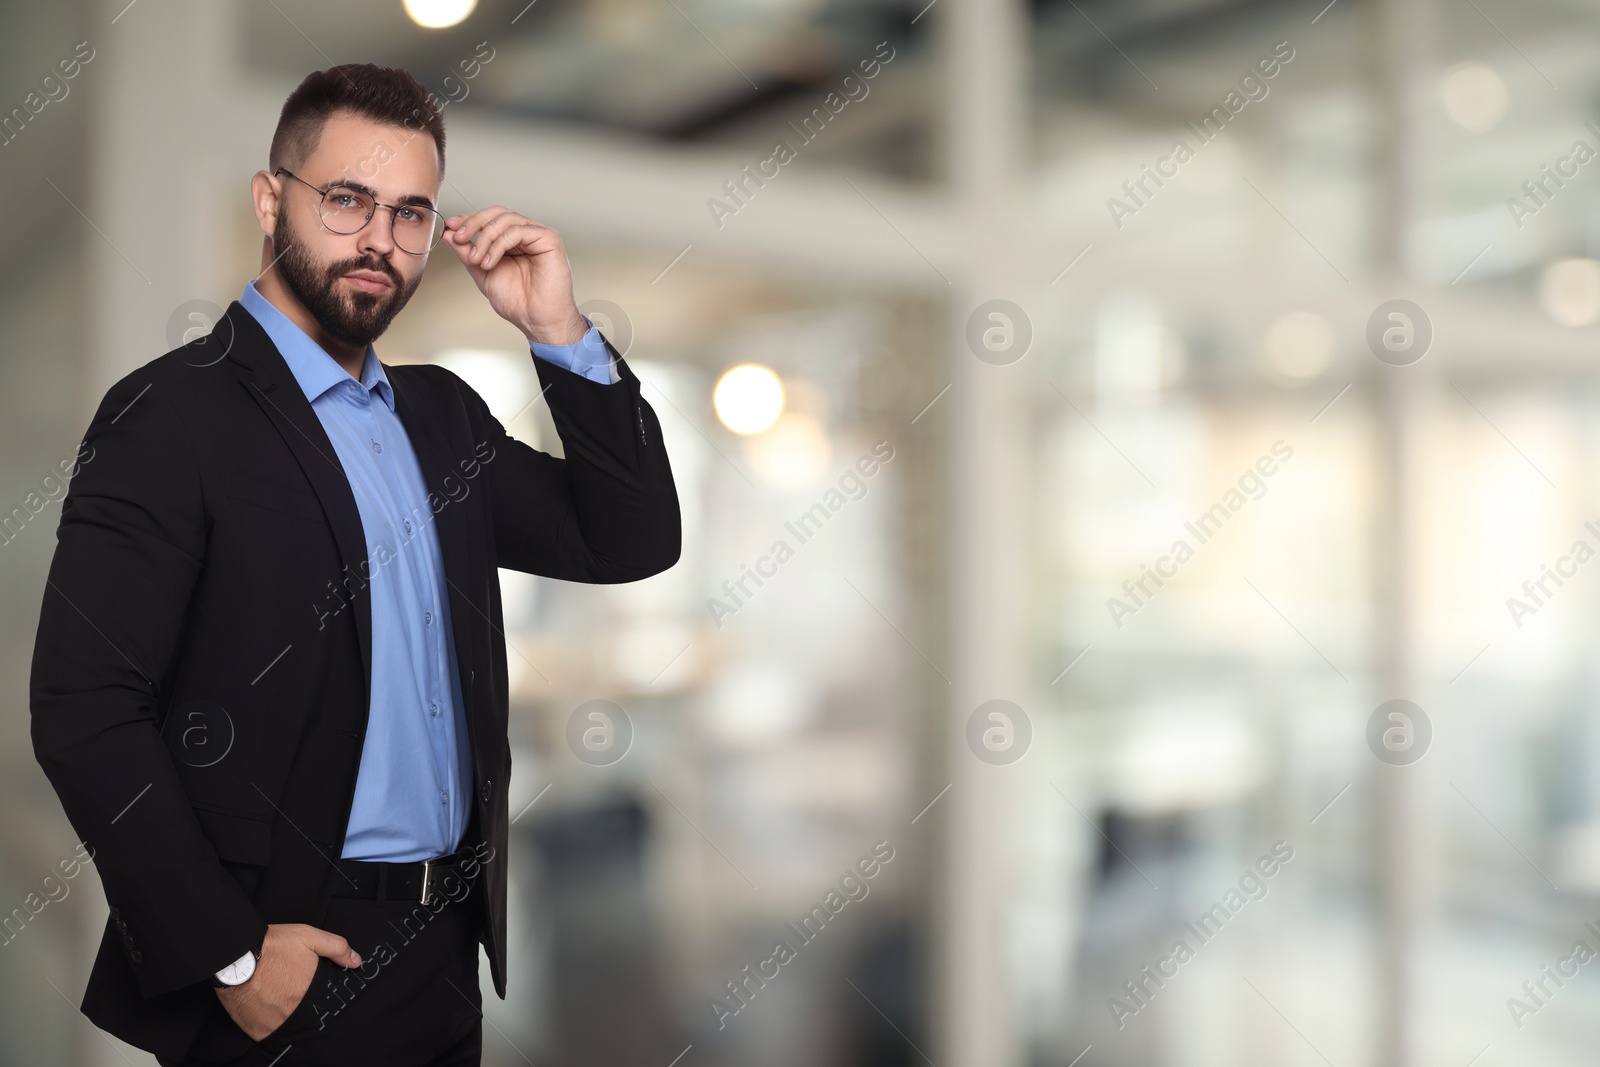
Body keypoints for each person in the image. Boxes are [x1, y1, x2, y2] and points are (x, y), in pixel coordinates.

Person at [28, 62, 681, 1066]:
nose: (379, 238)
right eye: (346, 200)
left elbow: (629, 536)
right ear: (268, 198)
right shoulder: (171, 416)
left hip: (444, 951)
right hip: (290, 962)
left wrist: (557, 329)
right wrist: (233, 956)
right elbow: (84, 708)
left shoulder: (443, 416)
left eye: (411, 212)